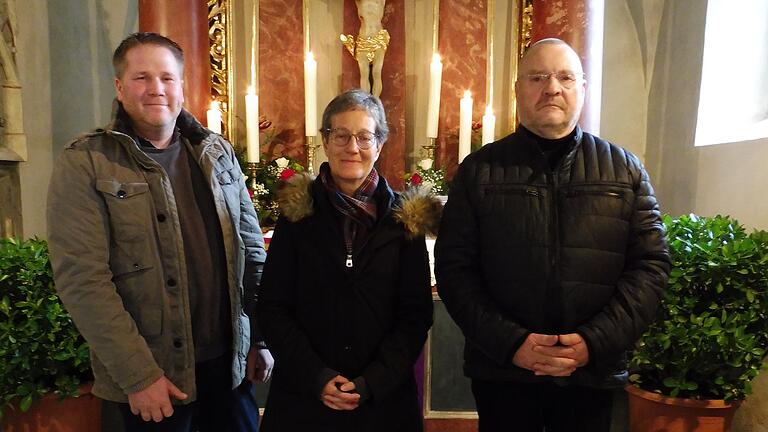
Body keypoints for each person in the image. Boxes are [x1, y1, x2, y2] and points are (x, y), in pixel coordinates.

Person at [434, 38, 671, 432]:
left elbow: (650, 265)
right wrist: (512, 343)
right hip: (504, 372)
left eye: (565, 77)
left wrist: (592, 342)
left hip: (591, 373)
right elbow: (455, 268)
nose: (552, 88)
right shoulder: (479, 170)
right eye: (538, 77)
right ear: (518, 90)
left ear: (583, 89)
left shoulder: (624, 170)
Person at [47, 32, 272, 432]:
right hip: (153, 381)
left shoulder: (216, 152)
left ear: (181, 86)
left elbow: (251, 251)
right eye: (141, 78)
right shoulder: (87, 161)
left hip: (227, 372)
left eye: (167, 78)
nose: (157, 89)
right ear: (119, 87)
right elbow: (84, 281)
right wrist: (139, 376)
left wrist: (260, 338)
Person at [257, 89, 437, 432]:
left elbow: (414, 315)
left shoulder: (405, 219)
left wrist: (372, 382)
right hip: (303, 398)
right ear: (325, 141)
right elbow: (274, 306)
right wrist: (317, 376)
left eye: (364, 136)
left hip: (383, 402)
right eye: (341, 135)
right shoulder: (297, 216)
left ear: (380, 144)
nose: (352, 147)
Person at [340, 0, 389, 97]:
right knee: (364, 73)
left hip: (378, 39)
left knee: (377, 72)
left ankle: (376, 103)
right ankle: (367, 104)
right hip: (363, 40)